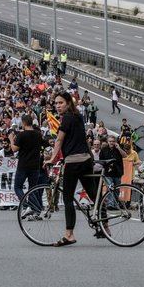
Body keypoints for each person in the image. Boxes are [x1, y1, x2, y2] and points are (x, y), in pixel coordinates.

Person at [47, 92, 99, 247]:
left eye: (60, 103)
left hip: (74, 162)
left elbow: (59, 140)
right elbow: (79, 139)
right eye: (56, 103)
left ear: (68, 103)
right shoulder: (77, 117)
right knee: (94, 195)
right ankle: (104, 226)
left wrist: (52, 159)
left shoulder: (67, 118)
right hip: (85, 160)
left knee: (68, 198)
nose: (57, 106)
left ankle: (69, 235)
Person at [10, 114, 43, 216]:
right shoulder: (38, 134)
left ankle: (25, 205)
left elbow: (14, 149)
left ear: (23, 123)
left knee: (18, 187)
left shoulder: (22, 135)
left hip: (23, 165)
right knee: (32, 188)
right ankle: (36, 209)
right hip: (35, 165)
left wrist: (11, 139)